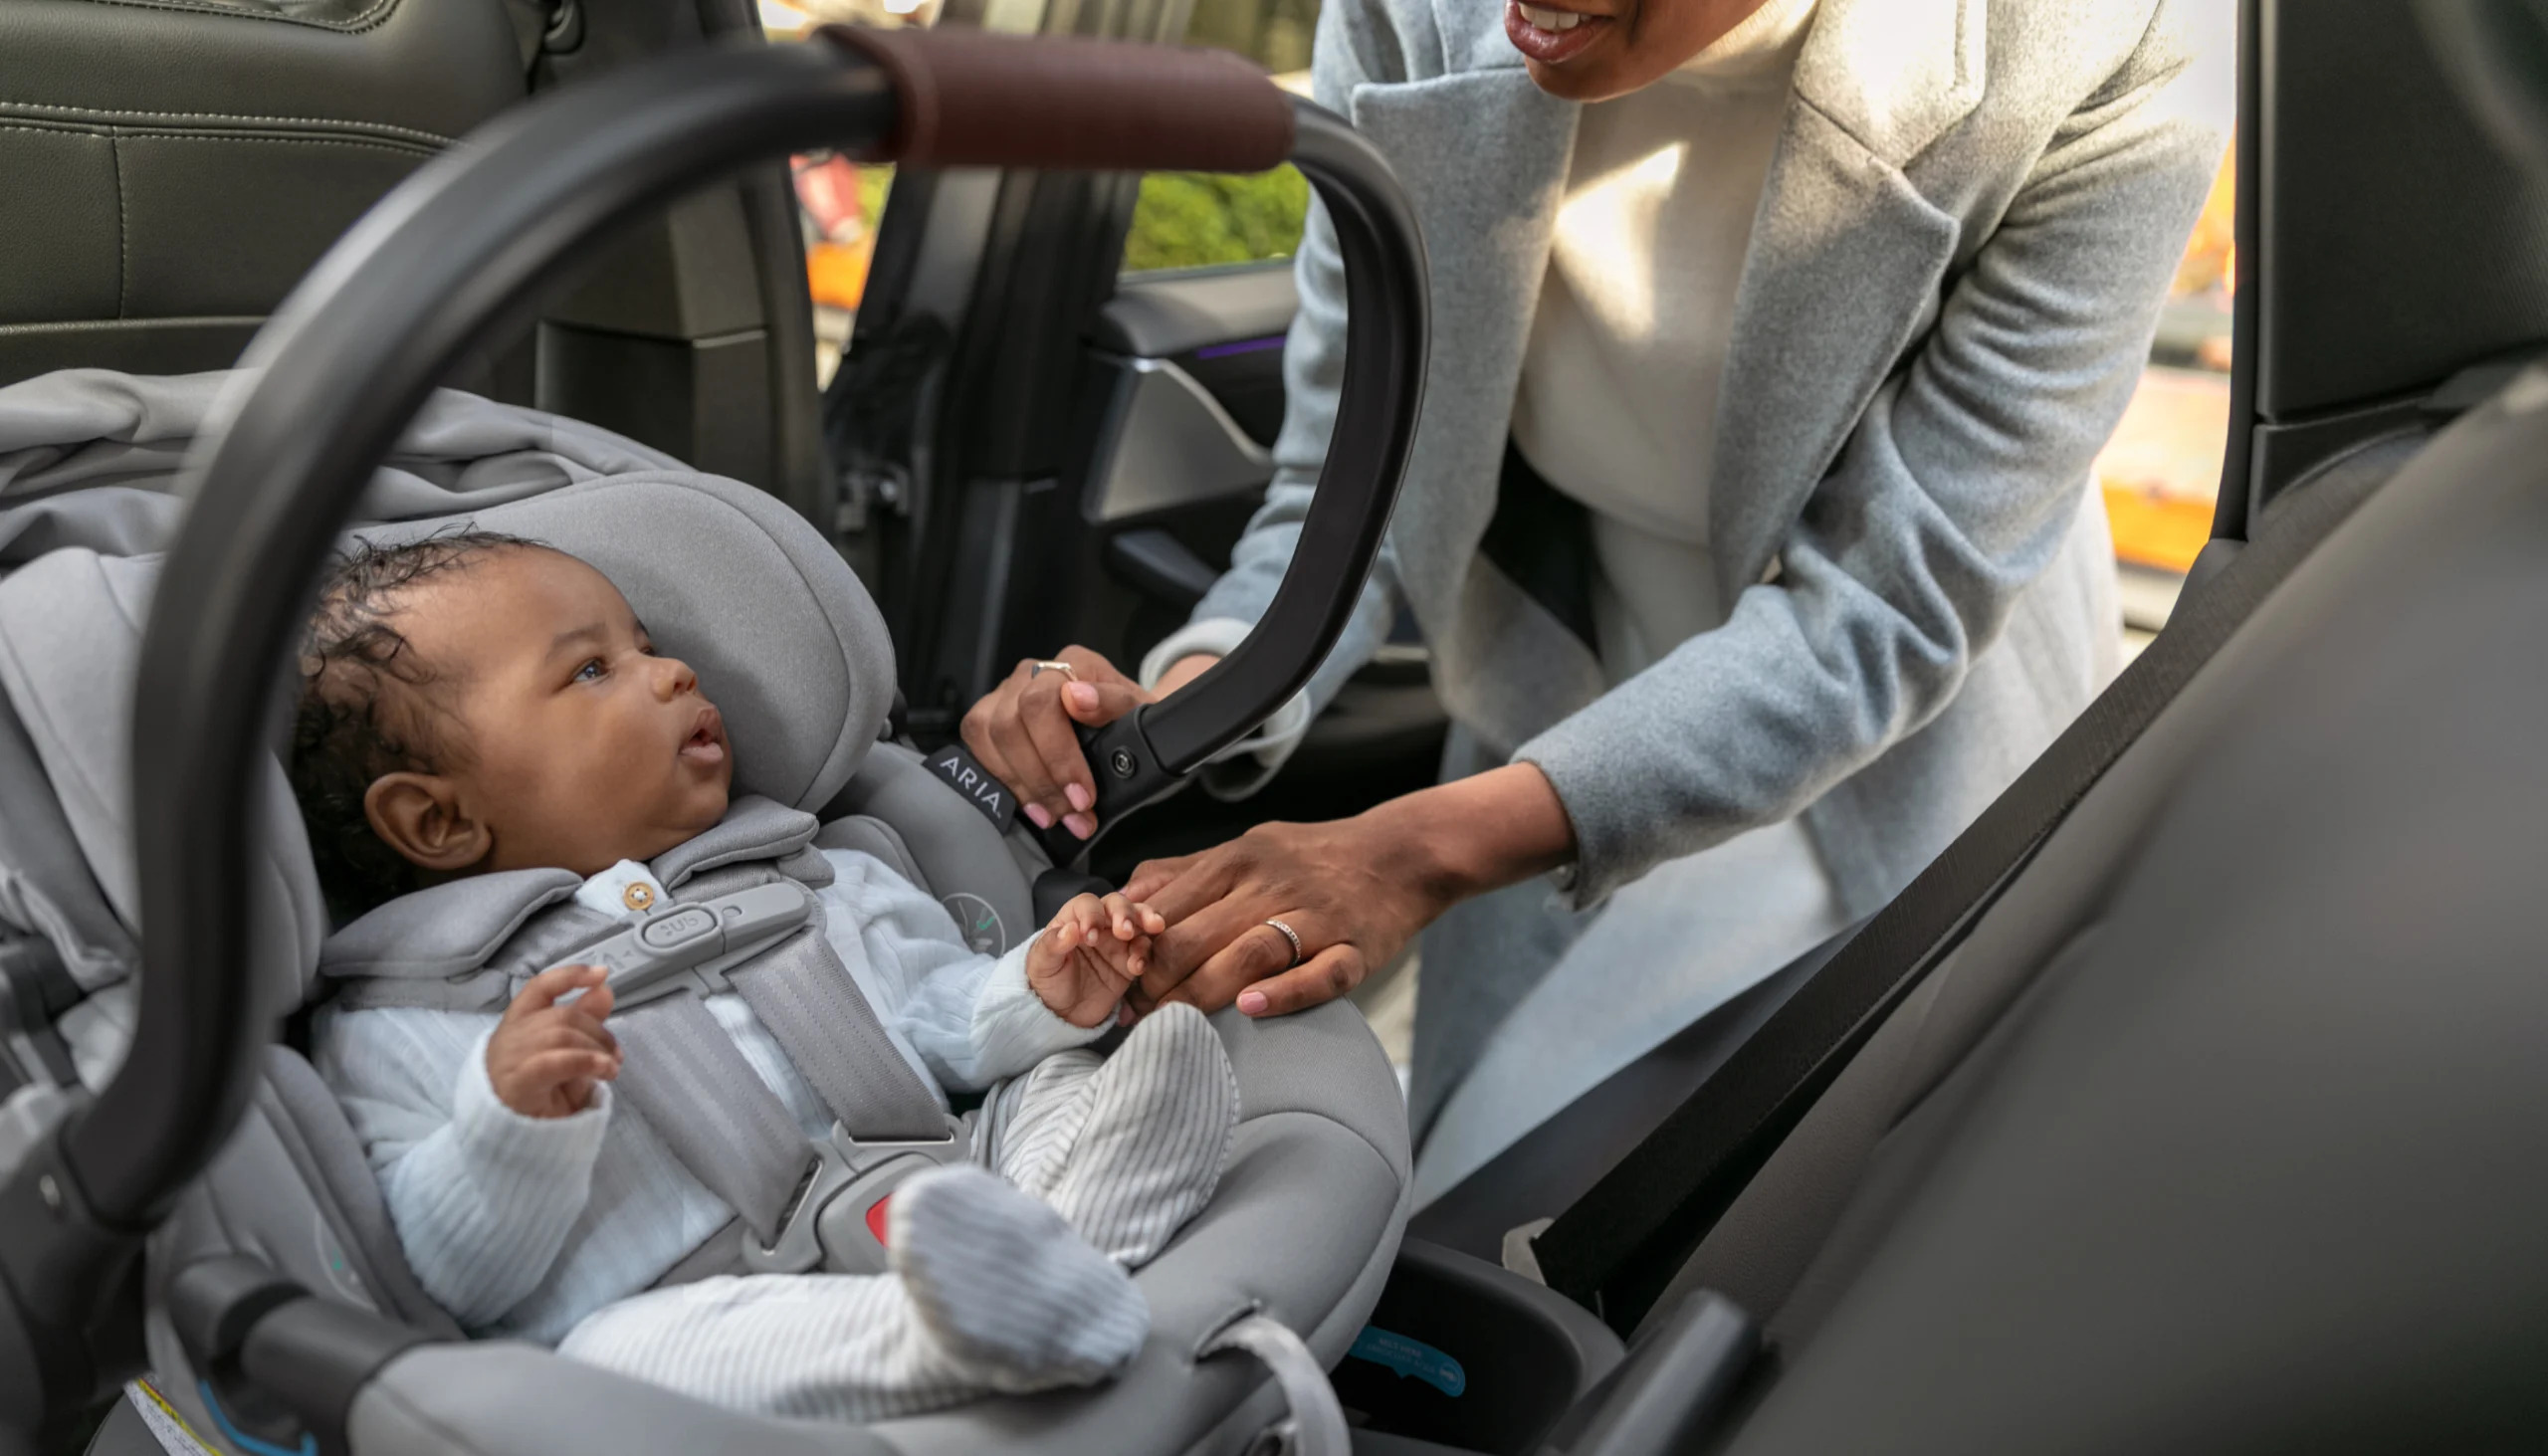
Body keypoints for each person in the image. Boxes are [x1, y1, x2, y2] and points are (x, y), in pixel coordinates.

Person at [960, 0, 2233, 1198]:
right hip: (1549, 680)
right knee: (1436, 1172)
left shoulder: (2105, 56)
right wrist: (1185, 700)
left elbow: (1880, 618)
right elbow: (1350, 482)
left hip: (1881, 742)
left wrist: (1409, 850)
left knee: (1563, 1210)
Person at [290, 532, 1238, 1421]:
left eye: (646, 643)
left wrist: (1035, 994)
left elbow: (939, 1016)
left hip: (949, 1187)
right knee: (605, 1355)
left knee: (1056, 1080)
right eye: (590, 670)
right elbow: (449, 1277)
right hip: (706, 1301)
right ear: (437, 821)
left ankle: (1080, 1222)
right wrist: (509, 1126)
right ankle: (942, 1335)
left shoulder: (815, 876)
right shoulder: (404, 1020)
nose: (675, 672)